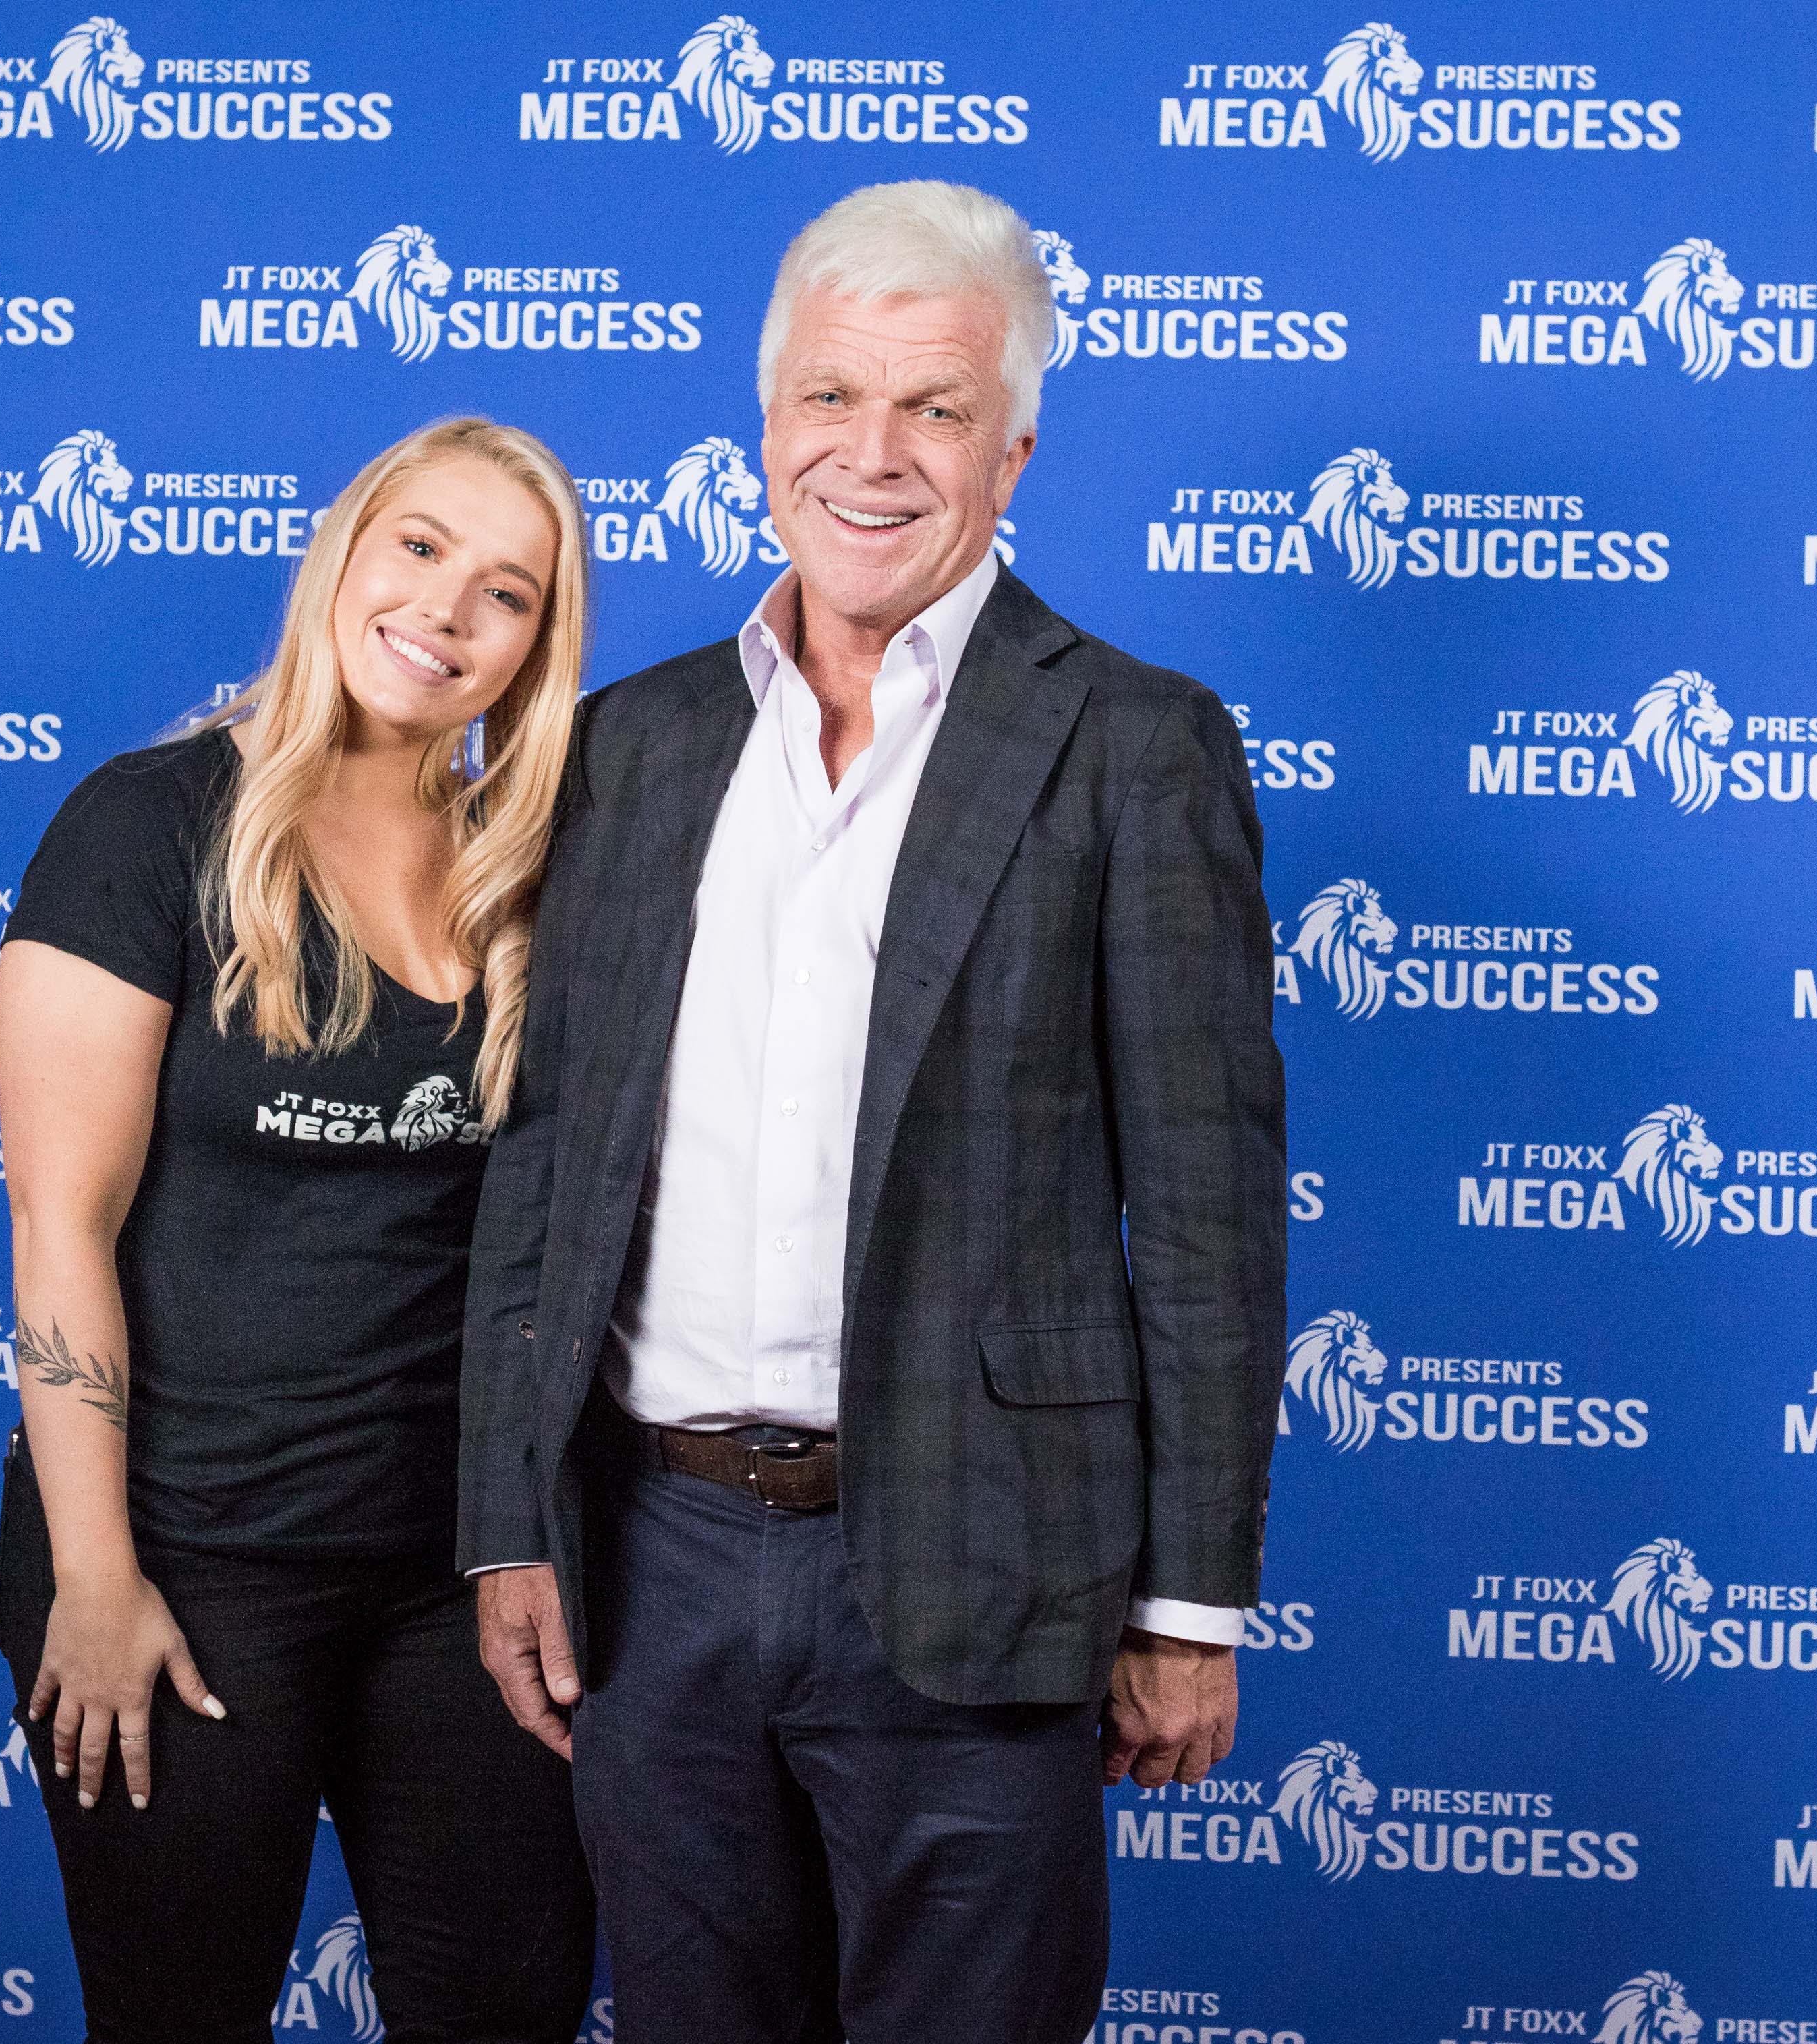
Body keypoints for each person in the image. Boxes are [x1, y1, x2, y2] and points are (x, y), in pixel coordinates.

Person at [461, 183, 1287, 2041]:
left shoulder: (1135, 744)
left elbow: (1206, 1214)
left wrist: (1189, 1606)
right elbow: (549, 1159)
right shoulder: (634, 741)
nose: (875, 452)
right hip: (652, 1564)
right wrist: (509, 1518)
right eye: (832, 396)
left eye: (935, 408)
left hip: (982, 1563)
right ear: (767, 428)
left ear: (1013, 451)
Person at [0, 417, 598, 2043]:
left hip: (460, 1579)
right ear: (343, 551)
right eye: (420, 547)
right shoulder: (147, 825)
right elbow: (60, 1227)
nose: (447, 609)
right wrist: (95, 1577)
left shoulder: (524, 868)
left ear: (537, 645)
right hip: (188, 1562)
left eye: (507, 591)